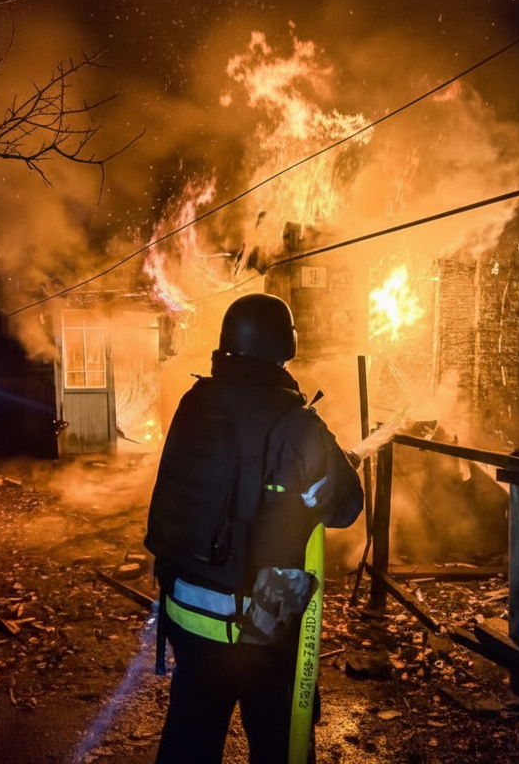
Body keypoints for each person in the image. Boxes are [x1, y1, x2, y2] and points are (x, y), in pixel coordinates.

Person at [145, 293, 364, 764]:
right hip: (256, 628)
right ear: (285, 347)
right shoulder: (297, 423)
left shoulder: (193, 401)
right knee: (278, 744)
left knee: (189, 739)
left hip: (184, 614)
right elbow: (346, 506)